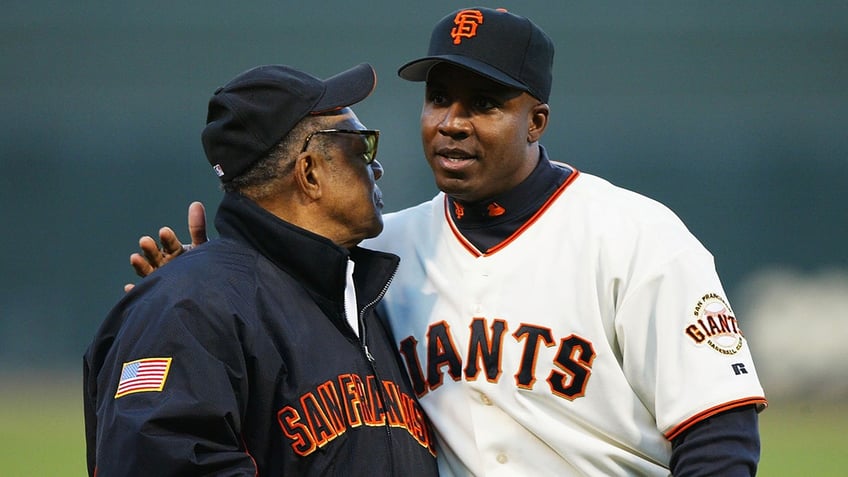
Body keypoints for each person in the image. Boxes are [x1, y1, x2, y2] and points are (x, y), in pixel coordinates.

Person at [128, 7, 768, 476]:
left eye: (483, 104)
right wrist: (201, 282)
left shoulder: (636, 237)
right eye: (438, 99)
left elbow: (719, 436)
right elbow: (274, 315)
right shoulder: (382, 249)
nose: (451, 123)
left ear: (536, 120)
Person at [84, 62, 439, 477]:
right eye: (361, 148)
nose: (376, 168)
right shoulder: (190, 308)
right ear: (309, 173)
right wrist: (197, 299)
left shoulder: (357, 303)